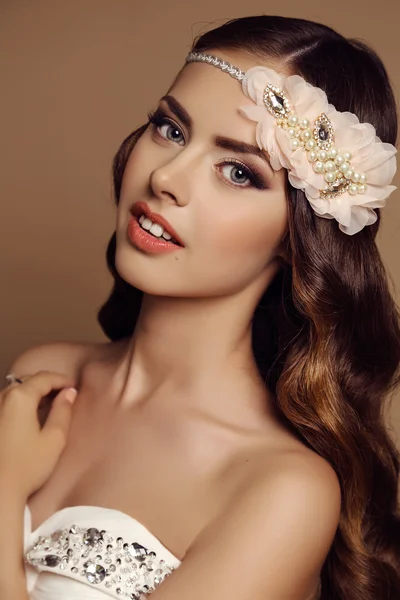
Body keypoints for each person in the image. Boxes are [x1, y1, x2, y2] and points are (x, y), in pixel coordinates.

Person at [0, 13, 399, 600]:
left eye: (239, 171)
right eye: (171, 130)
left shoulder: (284, 491)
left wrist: (5, 487)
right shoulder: (45, 376)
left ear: (299, 241)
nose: (167, 177)